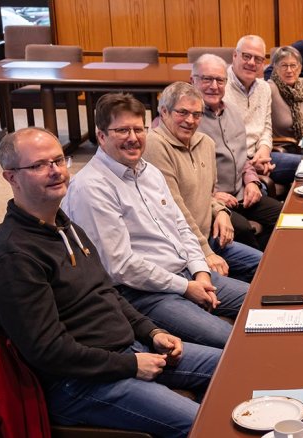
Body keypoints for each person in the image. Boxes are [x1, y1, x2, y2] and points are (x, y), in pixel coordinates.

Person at [0, 127, 221, 437]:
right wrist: (130, 366)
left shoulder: (65, 226)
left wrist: (152, 332)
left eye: (59, 160)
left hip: (125, 350)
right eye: (39, 165)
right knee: (209, 425)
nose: (56, 171)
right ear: (11, 177)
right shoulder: (12, 256)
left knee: (234, 367)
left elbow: (107, 292)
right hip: (77, 383)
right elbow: (49, 352)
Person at [62, 93, 248, 349]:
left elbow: (181, 227)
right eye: (122, 130)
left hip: (187, 273)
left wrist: (201, 271)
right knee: (235, 343)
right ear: (101, 135)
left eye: (139, 129)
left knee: (263, 304)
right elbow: (120, 266)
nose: (133, 137)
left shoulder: (149, 172)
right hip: (145, 293)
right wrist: (185, 286)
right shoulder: (91, 188)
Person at [143, 83, 260, 282]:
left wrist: (221, 210)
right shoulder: (154, 145)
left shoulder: (206, 143)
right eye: (182, 112)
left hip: (209, 239)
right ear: (164, 112)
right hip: (182, 251)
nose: (190, 120)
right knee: (249, 291)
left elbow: (209, 194)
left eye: (197, 114)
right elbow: (175, 207)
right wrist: (205, 252)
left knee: (268, 266)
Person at [190, 56, 267, 273]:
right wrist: (213, 196)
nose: (214, 86)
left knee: (280, 215)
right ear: (192, 80)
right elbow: (189, 175)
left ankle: (276, 264)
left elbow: (241, 156)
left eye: (220, 80)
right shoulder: (189, 122)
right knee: (242, 229)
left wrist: (251, 181)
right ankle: (260, 277)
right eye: (207, 79)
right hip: (216, 201)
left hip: (242, 193)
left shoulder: (233, 112)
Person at [224, 35, 301, 189]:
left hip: (262, 156)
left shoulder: (264, 88)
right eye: (246, 56)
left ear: (263, 63)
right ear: (235, 55)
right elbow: (223, 141)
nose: (252, 63)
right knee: (259, 193)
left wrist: (264, 150)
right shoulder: (220, 87)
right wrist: (250, 164)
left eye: (258, 59)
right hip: (234, 164)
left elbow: (266, 127)